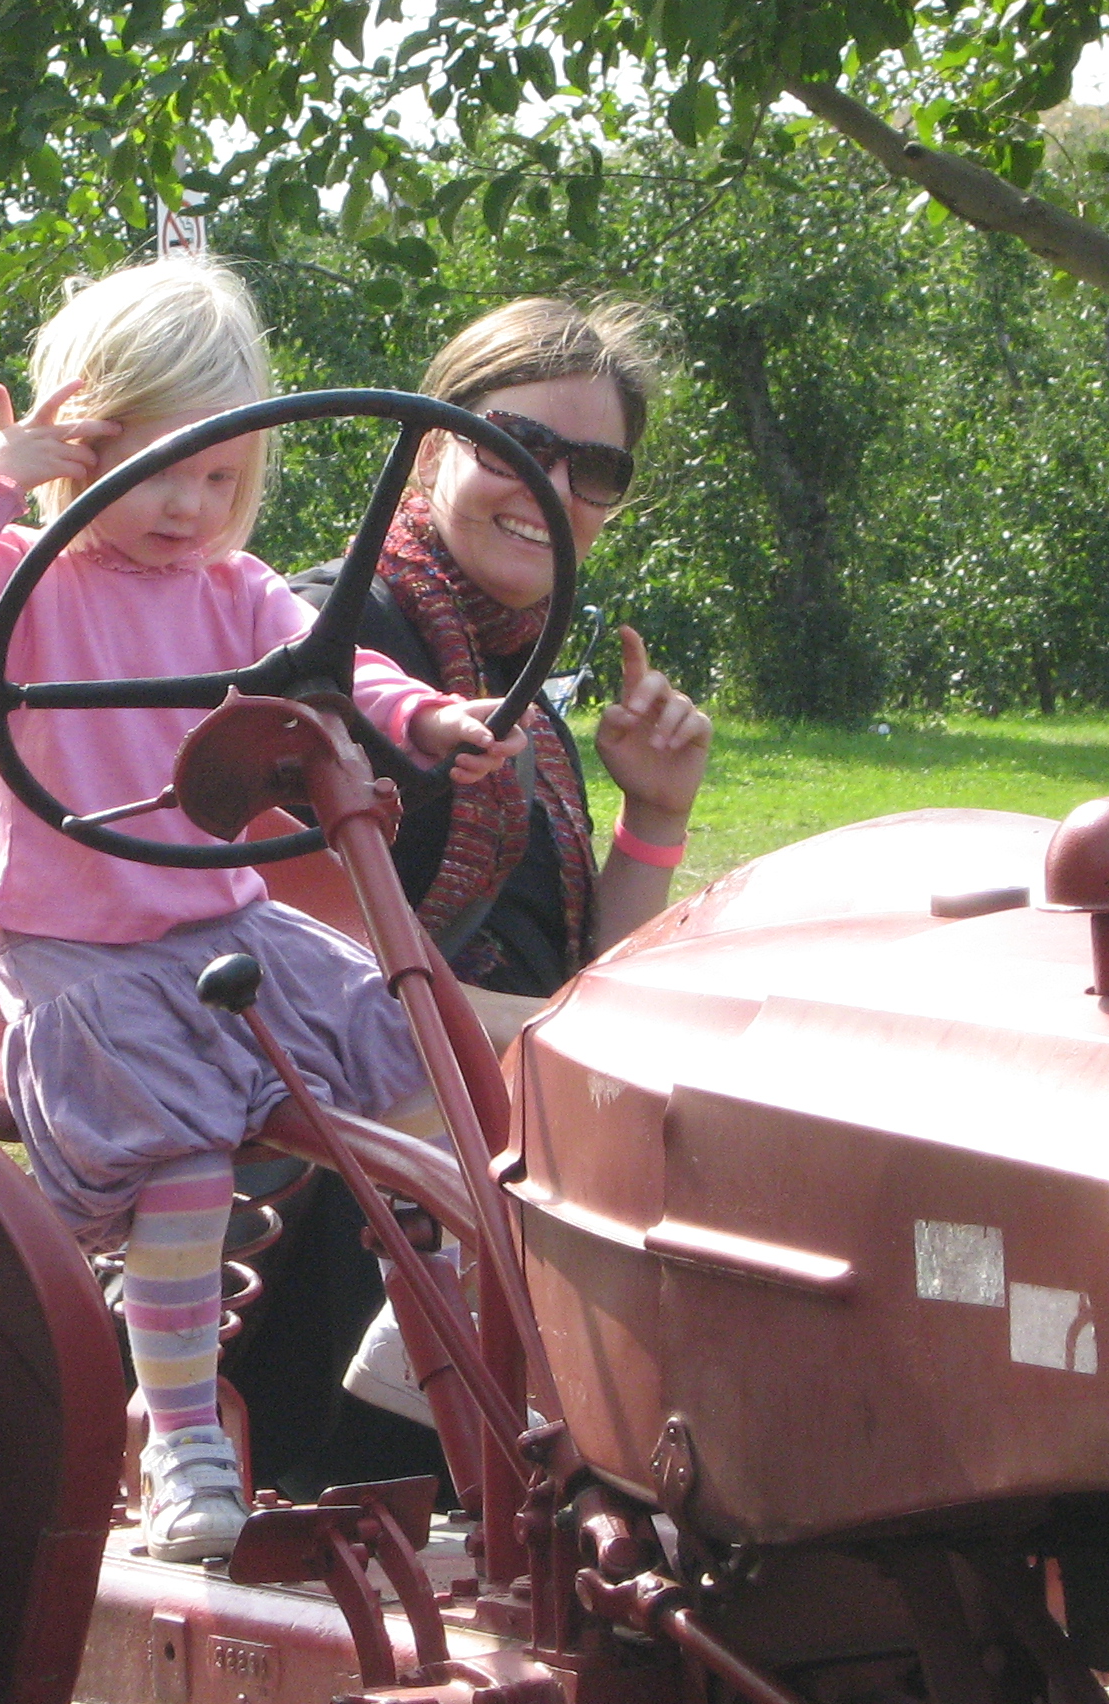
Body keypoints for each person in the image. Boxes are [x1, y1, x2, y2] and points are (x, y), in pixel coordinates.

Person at [0, 257, 526, 1564]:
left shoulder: (236, 593)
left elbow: (341, 666)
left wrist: (423, 719)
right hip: (84, 958)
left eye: (220, 476)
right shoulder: (25, 584)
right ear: (80, 450)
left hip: (225, 928)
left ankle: (466, 1410)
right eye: (158, 467)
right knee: (183, 1169)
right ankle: (181, 1441)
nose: (189, 505)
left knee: (431, 1095)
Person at [267, 296, 712, 1474]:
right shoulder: (323, 640)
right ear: (431, 448)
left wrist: (654, 816)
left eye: (594, 468)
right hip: (338, 1163)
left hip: (493, 1121)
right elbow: (285, 962)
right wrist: (552, 1046)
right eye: (516, 445)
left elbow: (595, 974)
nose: (552, 489)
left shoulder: (521, 694)